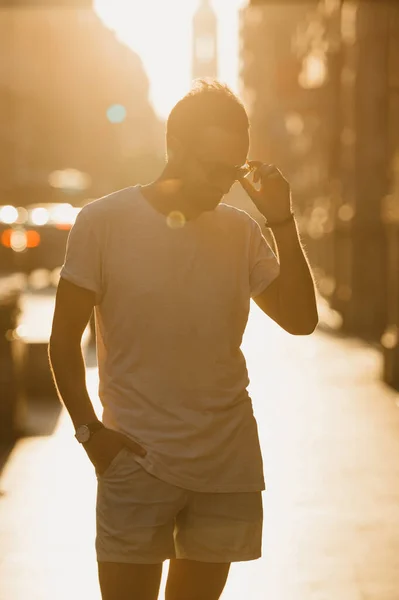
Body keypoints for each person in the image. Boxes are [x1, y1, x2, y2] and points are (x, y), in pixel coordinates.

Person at [49, 80, 318, 600]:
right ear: (173, 145)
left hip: (226, 462)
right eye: (211, 167)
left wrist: (281, 219)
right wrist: (91, 436)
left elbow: (301, 320)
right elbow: (62, 342)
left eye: (232, 172)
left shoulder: (241, 231)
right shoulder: (102, 222)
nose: (222, 184)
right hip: (135, 459)